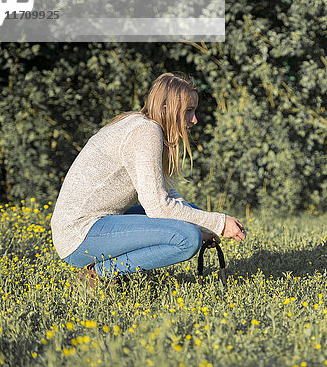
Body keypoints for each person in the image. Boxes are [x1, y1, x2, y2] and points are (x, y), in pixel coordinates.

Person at [51, 72, 246, 287]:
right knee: (188, 238)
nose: (194, 119)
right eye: (188, 111)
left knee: (191, 215)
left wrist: (206, 225)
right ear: (167, 109)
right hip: (79, 234)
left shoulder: (143, 125)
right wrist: (218, 223)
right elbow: (157, 207)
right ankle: (100, 274)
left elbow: (165, 195)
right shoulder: (145, 131)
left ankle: (104, 271)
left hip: (99, 224)